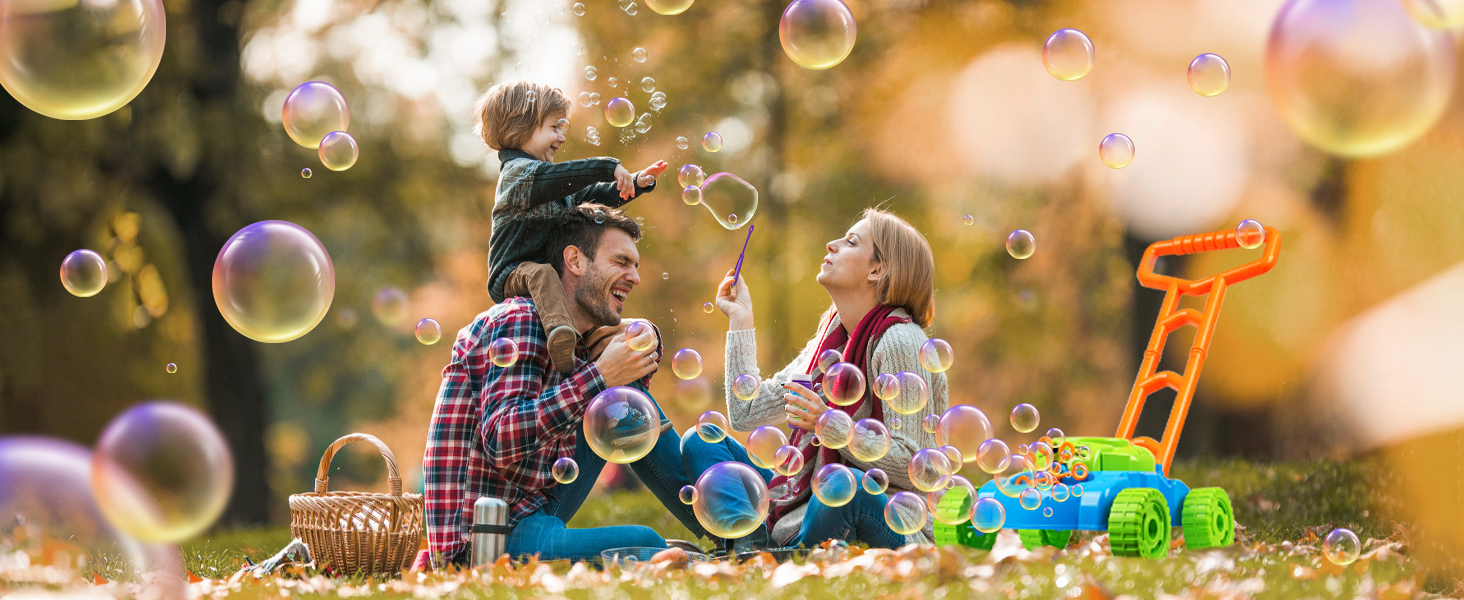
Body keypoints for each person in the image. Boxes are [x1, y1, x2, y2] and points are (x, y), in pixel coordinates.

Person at [423, 204, 706, 566]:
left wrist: (643, 339)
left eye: (636, 266)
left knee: (627, 396)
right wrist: (600, 375)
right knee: (646, 542)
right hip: (483, 538)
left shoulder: (572, 337)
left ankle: (729, 534)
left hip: (532, 505)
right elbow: (501, 438)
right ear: (574, 260)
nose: (634, 277)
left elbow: (631, 403)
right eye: (621, 262)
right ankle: (698, 551)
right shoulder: (521, 319)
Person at [682, 208, 948, 551]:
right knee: (701, 442)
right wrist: (740, 319)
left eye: (851, 242)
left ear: (877, 270)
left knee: (841, 486)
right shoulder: (831, 336)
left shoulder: (901, 340)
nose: (832, 244)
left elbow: (917, 467)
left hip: (890, 517)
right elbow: (746, 412)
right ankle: (754, 547)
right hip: (814, 502)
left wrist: (829, 424)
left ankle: (772, 553)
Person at [476, 80, 669, 373]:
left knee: (584, 303)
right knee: (544, 273)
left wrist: (636, 182)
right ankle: (561, 339)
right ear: (521, 127)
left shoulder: (551, 184)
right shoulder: (518, 176)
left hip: (544, 279)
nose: (561, 138)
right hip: (513, 271)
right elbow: (560, 177)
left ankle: (596, 358)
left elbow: (593, 194)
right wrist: (608, 166)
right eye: (554, 128)